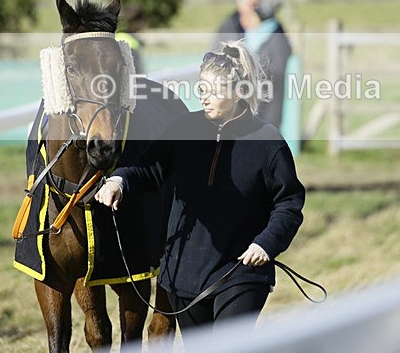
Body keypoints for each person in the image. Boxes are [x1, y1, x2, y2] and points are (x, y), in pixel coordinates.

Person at [95, 40, 305, 331]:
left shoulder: (268, 141)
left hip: (242, 271)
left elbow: (289, 204)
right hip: (184, 273)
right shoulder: (183, 129)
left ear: (239, 92)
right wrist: (119, 180)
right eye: (202, 89)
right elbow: (148, 168)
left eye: (215, 91)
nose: (205, 98)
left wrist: (266, 243)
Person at [213, 0, 292, 129]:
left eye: (256, 5)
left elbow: (279, 68)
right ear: (240, 5)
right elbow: (216, 56)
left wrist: (251, 72)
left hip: (267, 101)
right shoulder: (229, 26)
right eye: (250, 4)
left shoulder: (275, 34)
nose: (253, 9)